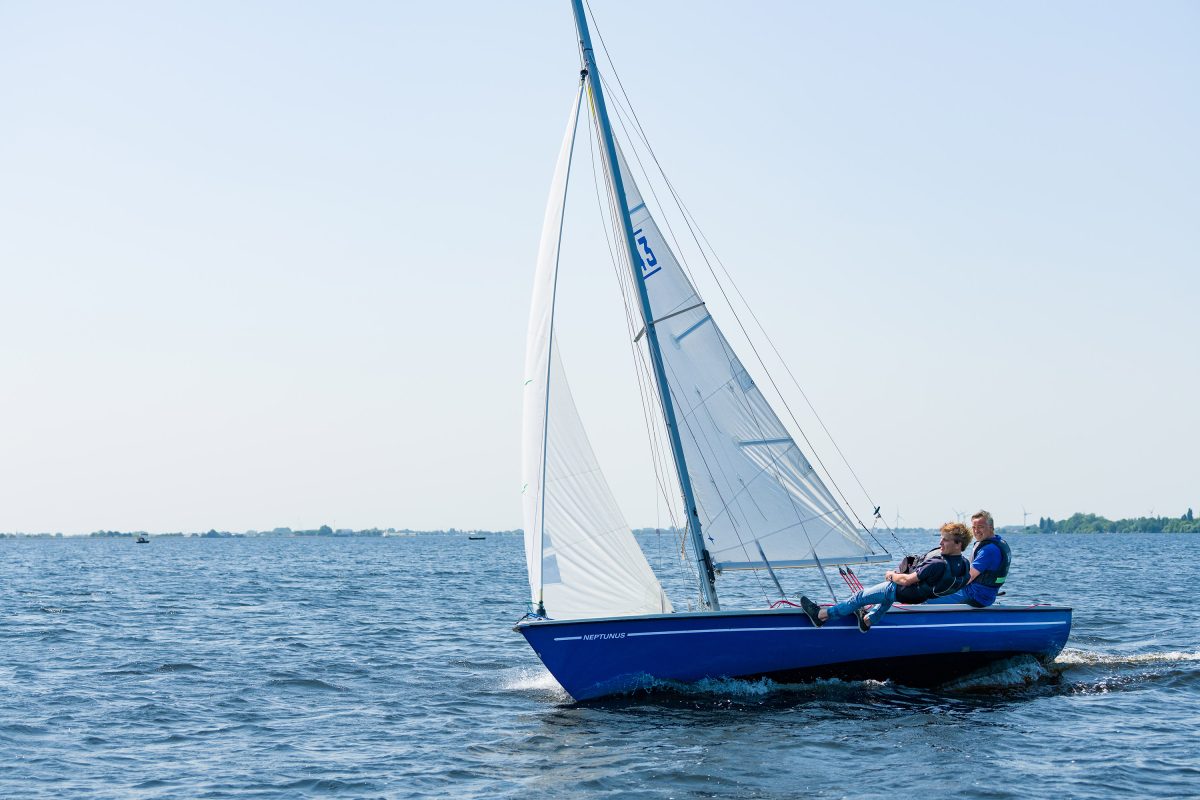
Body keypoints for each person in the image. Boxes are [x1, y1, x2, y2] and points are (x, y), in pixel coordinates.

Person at [799, 522, 972, 632]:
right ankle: (867, 620)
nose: (940, 543)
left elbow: (905, 580)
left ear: (958, 544)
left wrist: (891, 575)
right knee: (886, 598)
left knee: (860, 597)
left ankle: (821, 615)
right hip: (917, 597)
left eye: (945, 540)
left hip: (901, 590)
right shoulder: (964, 564)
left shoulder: (937, 564)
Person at [925, 509, 1011, 608]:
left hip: (974, 596)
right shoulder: (999, 543)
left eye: (980, 527)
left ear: (991, 527)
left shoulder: (989, 550)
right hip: (986, 595)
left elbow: (968, 577)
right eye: (973, 527)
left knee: (924, 595)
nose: (976, 531)